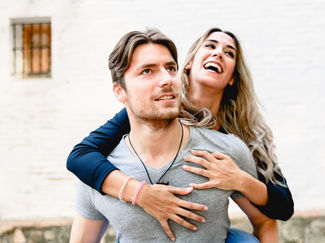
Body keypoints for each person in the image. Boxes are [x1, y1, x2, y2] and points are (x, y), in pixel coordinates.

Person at [67, 28, 294, 242]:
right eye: (210, 45)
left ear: (233, 77)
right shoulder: (145, 111)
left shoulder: (239, 138)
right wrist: (141, 193)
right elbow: (80, 155)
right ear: (189, 65)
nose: (218, 53)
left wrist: (240, 180)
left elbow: (280, 209)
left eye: (229, 52)